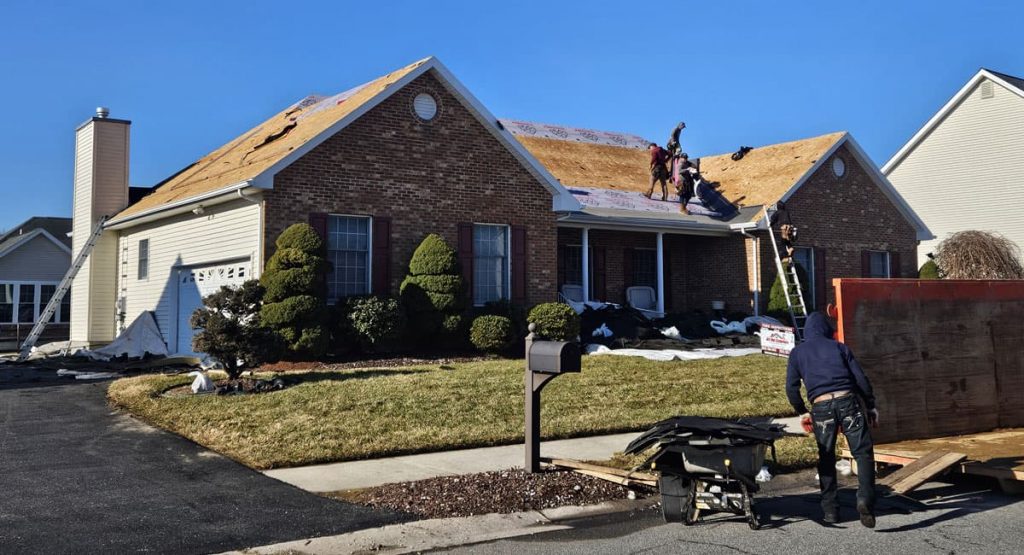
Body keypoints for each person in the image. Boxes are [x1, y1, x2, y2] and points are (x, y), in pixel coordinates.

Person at [786, 312, 880, 528]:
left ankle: (830, 511)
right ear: (826, 330)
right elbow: (861, 380)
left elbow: (791, 388)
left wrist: (802, 412)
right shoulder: (839, 347)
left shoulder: (797, 353)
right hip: (848, 402)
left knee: (826, 457)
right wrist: (870, 405)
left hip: (821, 408)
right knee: (863, 453)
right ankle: (865, 500)